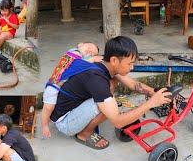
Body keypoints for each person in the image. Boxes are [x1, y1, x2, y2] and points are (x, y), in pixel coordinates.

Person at [42, 36, 172, 150]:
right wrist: (151, 103)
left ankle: (94, 116)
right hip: (65, 122)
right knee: (108, 104)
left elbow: (133, 85)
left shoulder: (104, 63)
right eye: (130, 64)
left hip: (71, 106)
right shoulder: (96, 79)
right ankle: (84, 134)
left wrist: (155, 93)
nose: (132, 68)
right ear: (115, 60)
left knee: (111, 87)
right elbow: (117, 121)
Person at [42, 42, 103, 138]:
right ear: (80, 44)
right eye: (89, 46)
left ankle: (52, 118)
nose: (90, 51)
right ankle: (45, 125)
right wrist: (93, 59)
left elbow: (81, 63)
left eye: (92, 53)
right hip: (53, 86)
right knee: (48, 107)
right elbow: (78, 63)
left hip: (58, 84)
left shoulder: (78, 56)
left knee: (52, 106)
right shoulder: (73, 52)